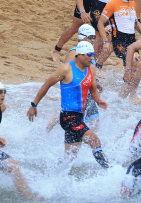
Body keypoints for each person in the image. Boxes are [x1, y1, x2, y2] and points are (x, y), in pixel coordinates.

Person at [27, 41, 112, 169]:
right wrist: (34, 105)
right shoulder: (66, 69)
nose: (92, 57)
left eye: (93, 54)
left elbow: (93, 90)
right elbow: (46, 85)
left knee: (69, 160)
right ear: (79, 55)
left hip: (79, 116)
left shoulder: (91, 69)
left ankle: (51, 176)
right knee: (95, 140)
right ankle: (110, 170)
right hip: (68, 117)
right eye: (89, 54)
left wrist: (99, 101)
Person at [97, 0, 141, 104]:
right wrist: (106, 41)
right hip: (120, 42)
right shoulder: (113, 3)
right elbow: (100, 23)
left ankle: (119, 100)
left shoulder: (133, 3)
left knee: (135, 71)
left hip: (132, 42)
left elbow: (135, 21)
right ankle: (133, 95)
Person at [46, 24, 102, 133]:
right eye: (91, 37)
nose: (93, 39)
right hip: (76, 93)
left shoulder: (89, 52)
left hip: (88, 94)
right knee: (78, 121)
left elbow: (90, 72)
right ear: (82, 38)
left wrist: (96, 82)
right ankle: (57, 118)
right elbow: (66, 73)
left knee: (94, 124)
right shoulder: (74, 53)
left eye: (94, 37)